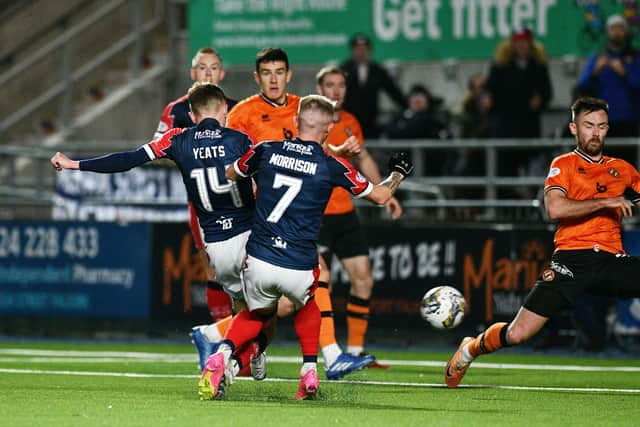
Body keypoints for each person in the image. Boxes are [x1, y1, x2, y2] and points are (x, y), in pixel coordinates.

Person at [197, 94, 414, 400]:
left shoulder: (266, 150)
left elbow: (231, 174)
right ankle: (309, 371)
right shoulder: (331, 165)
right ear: (327, 131)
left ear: (295, 122)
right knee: (309, 304)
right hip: (298, 263)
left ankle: (222, 353)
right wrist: (397, 175)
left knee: (257, 314)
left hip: (259, 257)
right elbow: (380, 196)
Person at [51, 82, 265, 378]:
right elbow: (266, 177)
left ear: (191, 114)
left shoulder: (177, 138)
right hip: (248, 234)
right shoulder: (241, 139)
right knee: (273, 303)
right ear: (225, 109)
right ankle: (224, 343)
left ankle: (240, 356)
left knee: (243, 306)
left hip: (214, 244)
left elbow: (128, 159)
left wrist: (75, 164)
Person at [192, 48, 376, 380]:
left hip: (296, 216)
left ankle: (227, 344)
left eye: (279, 72)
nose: (274, 79)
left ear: (289, 75)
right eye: (267, 72)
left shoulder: (301, 107)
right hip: (260, 220)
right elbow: (230, 163)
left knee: (277, 307)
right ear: (257, 77)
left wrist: (334, 152)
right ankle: (326, 358)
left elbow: (310, 151)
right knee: (310, 281)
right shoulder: (243, 114)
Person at [444, 96, 640, 388]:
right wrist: (605, 202)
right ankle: (470, 349)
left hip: (611, 260)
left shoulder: (622, 169)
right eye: (588, 126)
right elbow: (556, 209)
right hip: (572, 260)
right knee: (517, 334)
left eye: (601, 126)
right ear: (574, 128)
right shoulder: (564, 164)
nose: (595, 133)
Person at [153, 46, 239, 369]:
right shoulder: (176, 111)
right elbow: (158, 151)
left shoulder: (236, 109)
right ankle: (222, 339)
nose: (208, 74)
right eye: (202, 68)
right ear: (193, 74)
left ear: (222, 73)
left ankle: (233, 340)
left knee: (245, 274)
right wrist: (189, 148)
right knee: (214, 269)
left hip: (237, 201)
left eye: (213, 68)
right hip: (202, 203)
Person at [314, 66, 402, 371]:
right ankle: (324, 349)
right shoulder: (313, 123)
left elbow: (363, 158)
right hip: (316, 216)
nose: (336, 91)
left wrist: (386, 195)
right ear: (319, 89)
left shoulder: (351, 122)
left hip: (345, 213)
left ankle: (355, 351)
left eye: (340, 85)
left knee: (363, 279)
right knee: (313, 285)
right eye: (330, 85)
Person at [484, 28, 552, 181]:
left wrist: (540, 101)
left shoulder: (538, 67)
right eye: (518, 42)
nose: (521, 46)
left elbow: (547, 93)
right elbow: (489, 92)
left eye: (524, 42)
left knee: (532, 172)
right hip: (506, 129)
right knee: (506, 174)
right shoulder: (500, 67)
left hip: (529, 128)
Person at [576, 14, 640, 161]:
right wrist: (595, 72)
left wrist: (625, 73)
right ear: (607, 32)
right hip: (602, 123)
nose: (617, 32)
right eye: (613, 28)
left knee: (626, 167)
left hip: (628, 121)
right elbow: (582, 85)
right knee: (602, 167)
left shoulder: (635, 57)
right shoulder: (599, 57)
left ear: (626, 32)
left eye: (620, 28)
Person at [340, 33, 406, 138]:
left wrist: (407, 108)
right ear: (352, 51)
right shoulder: (343, 70)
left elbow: (393, 91)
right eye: (358, 49)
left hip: (370, 122)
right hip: (347, 122)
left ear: (369, 51)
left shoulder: (377, 70)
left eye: (364, 49)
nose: (361, 53)